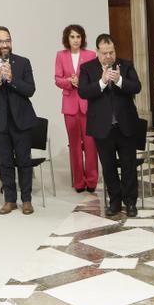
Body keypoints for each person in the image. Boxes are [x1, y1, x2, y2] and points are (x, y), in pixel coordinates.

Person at [0, 25, 38, 215]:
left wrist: (12, 80)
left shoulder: (22, 62)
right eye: (0, 41)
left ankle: (26, 200)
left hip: (21, 121)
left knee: (24, 161)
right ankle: (10, 200)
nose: (5, 44)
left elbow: (30, 90)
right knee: (4, 162)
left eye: (7, 40)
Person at [80, 33, 143, 217]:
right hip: (102, 127)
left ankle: (130, 202)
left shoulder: (126, 65)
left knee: (128, 166)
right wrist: (101, 82)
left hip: (125, 125)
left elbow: (137, 87)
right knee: (108, 167)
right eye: (105, 53)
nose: (109, 56)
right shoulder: (87, 68)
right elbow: (84, 92)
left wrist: (119, 80)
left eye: (111, 52)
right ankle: (114, 202)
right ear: (97, 52)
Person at [54, 24, 99, 193]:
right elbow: (57, 79)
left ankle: (92, 180)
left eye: (78, 36)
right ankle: (79, 182)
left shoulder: (91, 55)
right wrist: (69, 81)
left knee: (90, 144)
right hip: (70, 105)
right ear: (67, 38)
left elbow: (95, 78)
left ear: (82, 38)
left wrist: (81, 82)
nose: (75, 40)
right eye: (72, 37)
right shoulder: (61, 55)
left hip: (88, 104)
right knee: (74, 145)